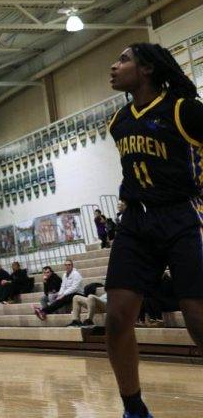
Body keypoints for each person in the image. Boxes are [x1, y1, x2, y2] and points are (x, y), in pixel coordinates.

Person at [102, 43, 203, 418]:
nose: (114, 66)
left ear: (146, 69)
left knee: (196, 316)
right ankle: (134, 409)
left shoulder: (184, 110)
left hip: (183, 215)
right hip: (137, 223)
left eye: (123, 59)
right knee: (116, 319)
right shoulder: (118, 122)